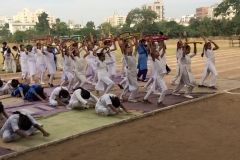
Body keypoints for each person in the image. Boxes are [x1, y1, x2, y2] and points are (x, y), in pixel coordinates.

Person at [143, 40, 168, 107]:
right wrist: (150, 43)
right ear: (153, 54)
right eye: (156, 52)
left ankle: (145, 98)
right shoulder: (154, 59)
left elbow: (163, 51)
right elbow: (151, 51)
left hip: (160, 76)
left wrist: (162, 43)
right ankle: (160, 101)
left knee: (152, 88)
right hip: (158, 77)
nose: (157, 52)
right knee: (165, 89)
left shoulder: (159, 57)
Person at [119, 36, 139, 103]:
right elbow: (123, 51)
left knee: (127, 85)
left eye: (130, 48)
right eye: (128, 49)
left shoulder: (133, 55)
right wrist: (123, 45)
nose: (130, 49)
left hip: (133, 72)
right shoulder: (126, 57)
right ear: (126, 50)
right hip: (130, 73)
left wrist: (135, 38)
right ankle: (131, 98)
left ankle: (122, 96)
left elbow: (136, 47)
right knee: (136, 86)